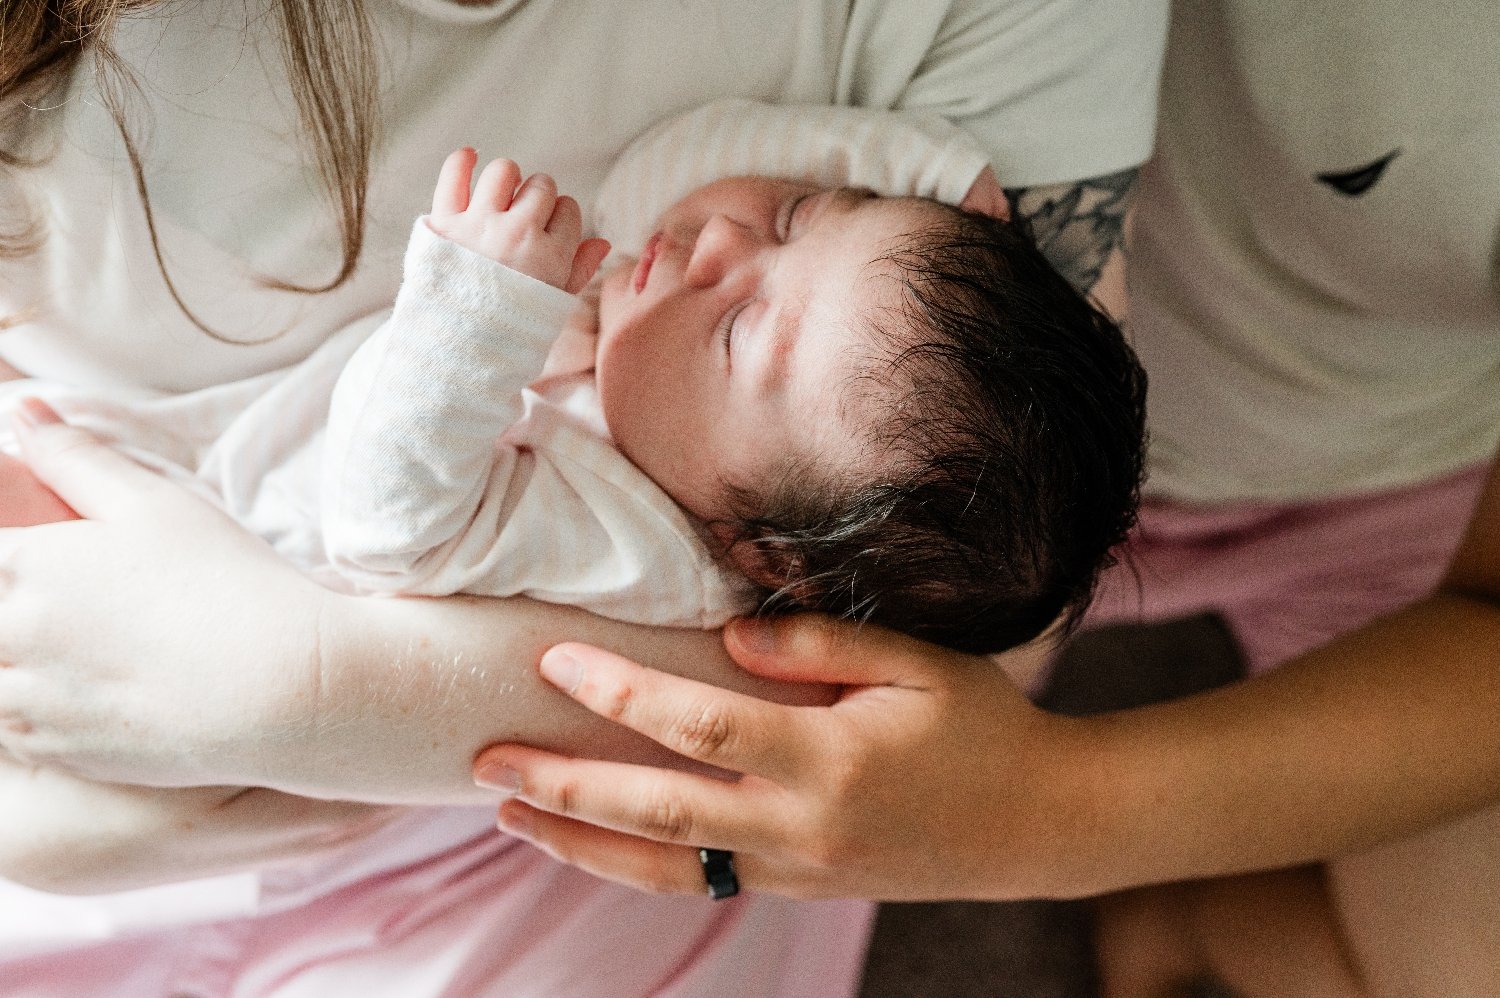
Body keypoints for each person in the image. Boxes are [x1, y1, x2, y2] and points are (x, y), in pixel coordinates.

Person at [0, 2, 1168, 995]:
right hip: (178, 581)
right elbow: (694, 162)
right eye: (808, 211)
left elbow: (392, 521)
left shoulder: (632, 546)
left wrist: (475, 313)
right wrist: (916, 182)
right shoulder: (712, 414)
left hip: (257, 566)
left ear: (760, 550)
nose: (717, 242)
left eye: (743, 324)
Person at [447, 1, 1500, 996]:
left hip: (1410, 499)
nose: (715, 244)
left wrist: (1041, 816)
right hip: (1020, 458)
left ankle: (1178, 924)